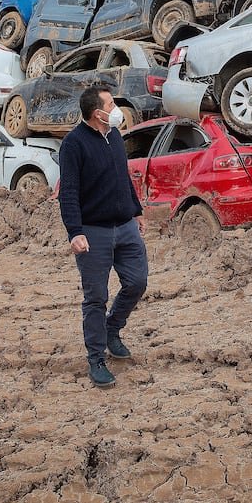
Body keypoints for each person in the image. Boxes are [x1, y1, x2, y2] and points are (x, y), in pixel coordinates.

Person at [57, 86, 147, 388]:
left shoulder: (116, 137)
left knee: (137, 282)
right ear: (98, 112)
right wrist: (75, 232)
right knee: (95, 297)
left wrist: (136, 211)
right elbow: (67, 193)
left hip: (125, 227)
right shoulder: (73, 144)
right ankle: (96, 358)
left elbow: (124, 178)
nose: (116, 106)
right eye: (111, 103)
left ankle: (112, 328)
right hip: (93, 233)